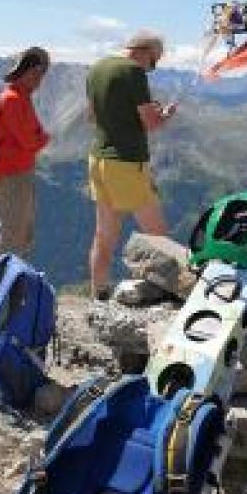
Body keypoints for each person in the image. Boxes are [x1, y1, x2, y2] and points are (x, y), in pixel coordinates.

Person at [86, 30, 177, 300]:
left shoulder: (97, 68)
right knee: (159, 235)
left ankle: (99, 292)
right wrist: (165, 115)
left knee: (104, 234)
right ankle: (167, 292)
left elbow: (92, 117)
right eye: (154, 61)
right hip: (126, 162)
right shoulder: (133, 72)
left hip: (98, 159)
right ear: (145, 51)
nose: (152, 68)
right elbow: (151, 124)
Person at [0, 46, 51, 260]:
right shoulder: (12, 100)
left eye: (41, 74)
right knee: (12, 235)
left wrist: (38, 137)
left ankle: (15, 287)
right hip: (12, 174)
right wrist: (40, 138)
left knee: (23, 233)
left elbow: (37, 133)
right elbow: (31, 140)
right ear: (22, 71)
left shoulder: (22, 98)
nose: (39, 79)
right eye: (35, 73)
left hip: (21, 172)